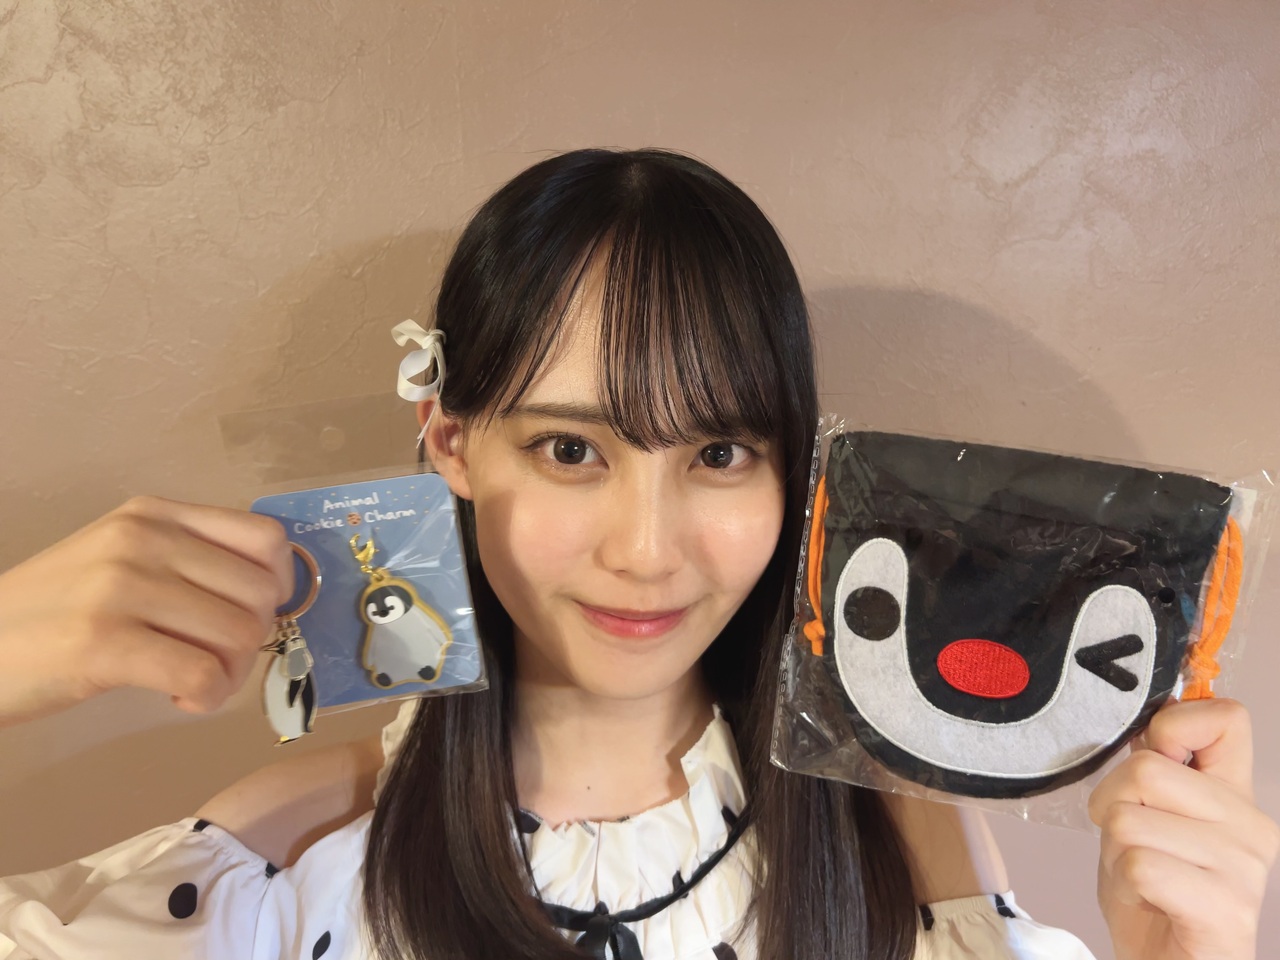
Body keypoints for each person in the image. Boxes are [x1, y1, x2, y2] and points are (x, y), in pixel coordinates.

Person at [0, 148, 1274, 960]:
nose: (647, 550)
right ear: (450, 443)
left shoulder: (903, 855)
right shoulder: (296, 858)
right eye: (570, 451)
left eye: (717, 453)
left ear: (794, 473)